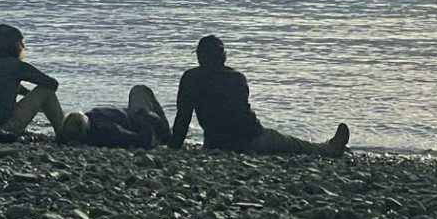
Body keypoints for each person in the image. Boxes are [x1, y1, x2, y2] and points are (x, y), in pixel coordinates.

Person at [169, 34, 349, 156]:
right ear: (223, 56)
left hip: (214, 143)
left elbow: (183, 117)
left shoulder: (190, 78)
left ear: (200, 57)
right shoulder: (236, 78)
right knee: (293, 144)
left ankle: (327, 147)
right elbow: (241, 116)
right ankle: (329, 149)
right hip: (249, 140)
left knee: (283, 142)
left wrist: (174, 148)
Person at [0, 23, 64, 136]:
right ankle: (63, 133)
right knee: (46, 91)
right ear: (15, 45)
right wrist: (38, 101)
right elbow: (52, 84)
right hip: (2, 128)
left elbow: (3, 85)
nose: (23, 47)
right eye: (21, 42)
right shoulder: (17, 66)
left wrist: (28, 95)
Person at [57, 85, 171, 149]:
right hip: (143, 126)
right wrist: (146, 123)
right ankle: (164, 133)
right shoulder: (105, 129)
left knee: (138, 101)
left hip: (130, 119)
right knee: (139, 90)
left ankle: (153, 122)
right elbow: (135, 138)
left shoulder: (94, 122)